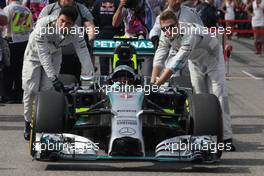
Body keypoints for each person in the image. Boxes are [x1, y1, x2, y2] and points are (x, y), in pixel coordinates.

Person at [151, 10, 235, 151]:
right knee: (200, 98)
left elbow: (175, 64)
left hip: (212, 57)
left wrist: (156, 85)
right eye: (165, 29)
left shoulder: (189, 33)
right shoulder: (166, 33)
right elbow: (159, 56)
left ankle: (227, 138)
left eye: (171, 27)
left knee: (220, 96)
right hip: (195, 60)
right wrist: (153, 80)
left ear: (177, 24)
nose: (168, 31)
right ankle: (204, 134)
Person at [22, 6, 94, 140]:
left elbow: (84, 54)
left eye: (68, 23)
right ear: (58, 17)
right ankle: (27, 122)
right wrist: (54, 77)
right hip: (34, 55)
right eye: (62, 21)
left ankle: (41, 121)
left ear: (73, 24)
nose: (63, 25)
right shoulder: (44, 25)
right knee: (31, 89)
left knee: (46, 90)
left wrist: (91, 78)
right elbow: (43, 55)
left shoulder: (77, 32)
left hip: (55, 53)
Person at [39, 0, 96, 82]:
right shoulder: (49, 9)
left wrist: (91, 38)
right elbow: (39, 26)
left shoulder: (81, 8)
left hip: (72, 57)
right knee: (50, 85)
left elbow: (90, 25)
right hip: (52, 56)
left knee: (73, 85)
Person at [112, 0, 154, 76]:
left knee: (146, 76)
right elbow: (115, 24)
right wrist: (121, 6)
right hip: (127, 42)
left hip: (144, 42)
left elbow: (150, 25)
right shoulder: (125, 6)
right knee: (124, 74)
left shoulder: (146, 6)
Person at [2, 0, 33, 103]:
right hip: (24, 42)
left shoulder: (7, 9)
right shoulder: (26, 10)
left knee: (8, 70)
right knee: (21, 70)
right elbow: (30, 27)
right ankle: (19, 94)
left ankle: (7, 95)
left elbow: (3, 25)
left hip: (11, 42)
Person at [92, 0, 123, 75]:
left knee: (116, 62)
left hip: (116, 35)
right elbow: (93, 19)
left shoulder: (118, 2)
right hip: (102, 35)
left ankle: (116, 82)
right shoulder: (97, 3)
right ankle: (104, 84)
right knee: (103, 63)